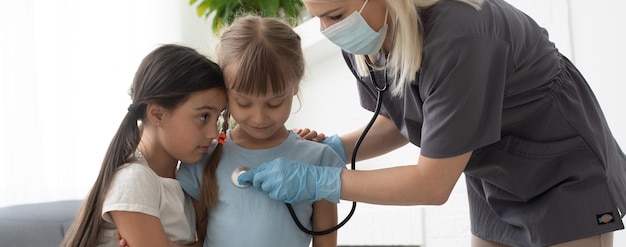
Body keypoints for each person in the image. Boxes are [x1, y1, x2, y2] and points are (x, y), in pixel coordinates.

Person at [237, 0, 626, 246]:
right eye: (318, 18)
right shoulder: (365, 42)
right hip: (491, 169)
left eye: (336, 16)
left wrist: (320, 180)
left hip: (558, 166)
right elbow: (408, 118)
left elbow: (433, 183)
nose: (330, 31)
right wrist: (332, 149)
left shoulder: (459, 37)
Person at [175, 15, 343, 247]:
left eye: (274, 103)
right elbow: (192, 239)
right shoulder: (202, 159)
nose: (259, 118)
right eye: (243, 103)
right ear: (225, 91)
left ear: (295, 84)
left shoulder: (319, 160)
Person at [61, 44, 227, 247]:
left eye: (217, 118)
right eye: (203, 116)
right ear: (158, 115)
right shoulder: (134, 180)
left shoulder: (183, 180)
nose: (213, 133)